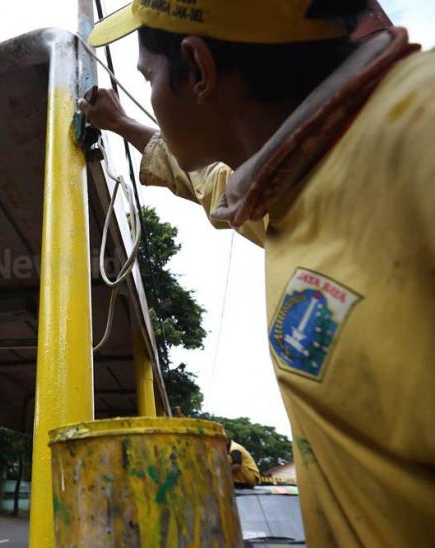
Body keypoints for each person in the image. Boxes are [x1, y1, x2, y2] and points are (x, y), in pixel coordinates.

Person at [81, 1, 434, 545]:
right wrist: (123, 122)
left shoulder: (419, 129)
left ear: (199, 71)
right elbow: (209, 182)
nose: (147, 90)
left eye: (148, 77)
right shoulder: (294, 179)